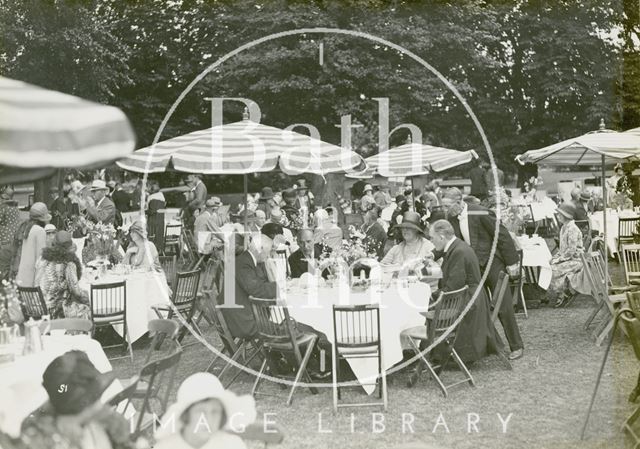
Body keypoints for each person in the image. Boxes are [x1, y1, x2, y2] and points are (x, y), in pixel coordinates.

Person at [441, 187, 524, 360]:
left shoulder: (480, 212)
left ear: (459, 202)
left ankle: (516, 345)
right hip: (474, 267)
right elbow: (451, 241)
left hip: (493, 263)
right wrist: (434, 254)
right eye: (443, 205)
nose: (444, 209)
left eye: (447, 205)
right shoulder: (451, 217)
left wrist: (512, 263)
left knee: (504, 305)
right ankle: (487, 345)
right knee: (477, 305)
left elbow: (502, 235)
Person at [20, 350, 135, 449]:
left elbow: (124, 442)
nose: (99, 405)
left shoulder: (107, 420)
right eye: (93, 398)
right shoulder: (38, 436)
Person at [427, 219, 505, 363]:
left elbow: (452, 289)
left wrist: (431, 295)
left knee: (427, 308)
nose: (431, 242)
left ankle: (434, 354)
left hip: (469, 302)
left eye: (432, 238)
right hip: (472, 297)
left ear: (442, 236)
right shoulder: (457, 246)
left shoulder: (459, 252)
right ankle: (435, 352)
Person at [154, 373, 256, 449]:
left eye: (215, 412)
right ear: (186, 414)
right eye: (200, 411)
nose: (208, 419)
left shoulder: (231, 444)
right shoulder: (167, 446)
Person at [219, 228, 278, 339]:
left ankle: (273, 353)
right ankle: (276, 354)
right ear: (260, 249)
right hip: (243, 323)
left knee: (283, 323)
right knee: (289, 327)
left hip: (240, 316)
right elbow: (257, 291)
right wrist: (281, 287)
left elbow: (258, 283)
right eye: (268, 252)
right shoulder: (243, 264)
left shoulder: (245, 259)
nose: (268, 256)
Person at [35, 231, 90, 319]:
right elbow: (76, 291)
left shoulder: (42, 259)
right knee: (86, 309)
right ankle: (83, 332)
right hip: (56, 309)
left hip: (38, 307)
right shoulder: (68, 263)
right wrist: (89, 298)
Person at [548, 203, 590, 307]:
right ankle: (560, 292)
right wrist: (556, 257)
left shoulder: (572, 229)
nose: (558, 217)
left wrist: (559, 260)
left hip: (577, 259)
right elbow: (563, 248)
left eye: (559, 215)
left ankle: (563, 294)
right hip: (568, 257)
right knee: (549, 264)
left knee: (554, 269)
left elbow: (571, 250)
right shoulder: (564, 227)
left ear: (566, 216)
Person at [14, 202, 50, 287]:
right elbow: (41, 260)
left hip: (21, 278)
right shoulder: (39, 231)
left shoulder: (25, 227)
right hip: (32, 282)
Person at [0, 185, 20, 280]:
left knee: (4, 267)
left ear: (5, 196)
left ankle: (4, 289)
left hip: (5, 241)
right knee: (12, 266)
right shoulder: (15, 207)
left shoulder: (3, 207)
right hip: (15, 240)